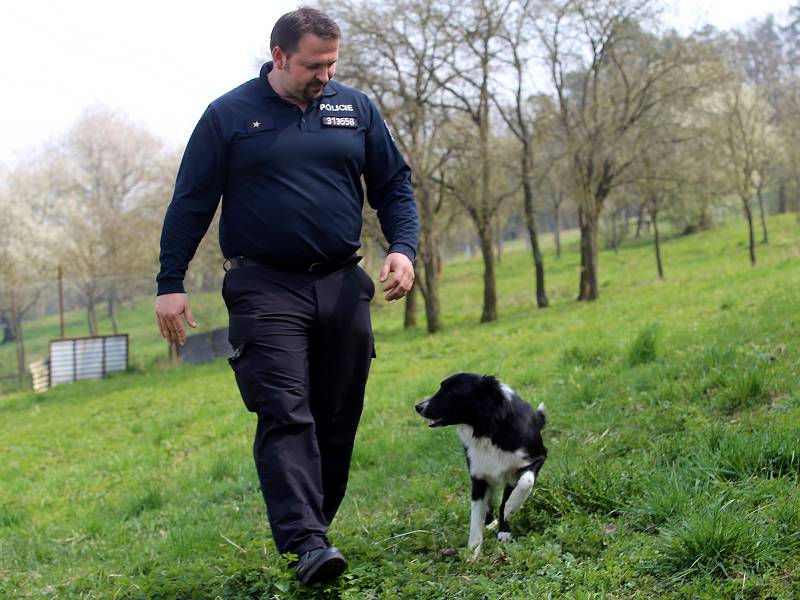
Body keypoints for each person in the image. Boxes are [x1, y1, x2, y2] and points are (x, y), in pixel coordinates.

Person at [154, 7, 418, 586]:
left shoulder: (356, 109)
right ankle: (307, 545)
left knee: (338, 415)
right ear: (278, 57)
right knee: (284, 409)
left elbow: (394, 184)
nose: (324, 75)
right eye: (312, 65)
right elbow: (190, 202)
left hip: (342, 282)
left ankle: (312, 529)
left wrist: (403, 246)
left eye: (331, 64)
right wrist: (169, 282)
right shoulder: (228, 116)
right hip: (264, 285)